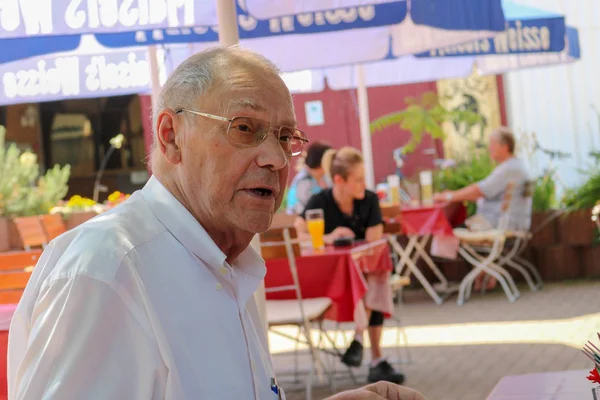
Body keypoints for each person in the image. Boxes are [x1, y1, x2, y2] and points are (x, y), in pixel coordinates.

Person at [7, 47, 426, 400]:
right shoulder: (108, 269)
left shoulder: (219, 260)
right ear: (171, 136)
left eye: (285, 137)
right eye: (244, 129)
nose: (277, 159)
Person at [294, 146, 404, 385]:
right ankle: (376, 360)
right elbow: (299, 231)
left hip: (365, 276)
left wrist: (349, 239)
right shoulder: (319, 201)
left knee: (374, 280)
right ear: (338, 180)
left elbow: (375, 241)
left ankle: (359, 340)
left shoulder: (370, 200)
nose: (364, 184)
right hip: (332, 281)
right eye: (358, 179)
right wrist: (329, 237)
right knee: (375, 283)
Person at [433, 126, 531, 290]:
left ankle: (457, 279)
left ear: (505, 146)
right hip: (509, 221)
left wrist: (450, 196)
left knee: (448, 231)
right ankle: (484, 272)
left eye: (493, 144)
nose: (489, 148)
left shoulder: (509, 169)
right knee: (458, 229)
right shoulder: (514, 166)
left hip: (500, 223)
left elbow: (480, 190)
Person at [286, 141, 332, 215]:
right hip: (297, 221)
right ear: (321, 163)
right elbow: (308, 208)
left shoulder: (324, 177)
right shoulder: (303, 180)